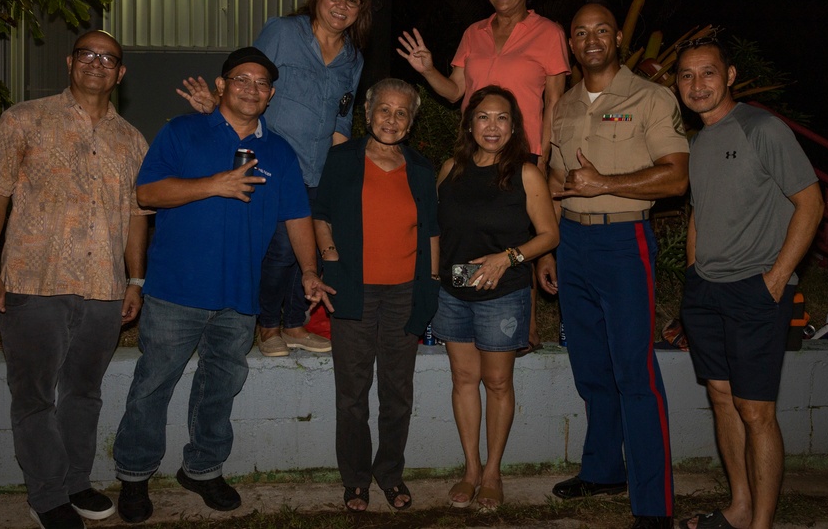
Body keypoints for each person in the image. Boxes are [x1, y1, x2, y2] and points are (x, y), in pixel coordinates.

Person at [112, 47, 335, 524]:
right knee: (153, 384)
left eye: (261, 83)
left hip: (239, 295)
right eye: (241, 79)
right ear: (221, 86)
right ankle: (133, 475)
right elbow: (147, 193)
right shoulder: (181, 131)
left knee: (221, 385)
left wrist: (310, 271)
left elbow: (298, 215)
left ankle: (203, 467)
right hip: (176, 290)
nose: (251, 89)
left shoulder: (279, 151)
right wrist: (212, 184)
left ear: (271, 95)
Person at [0, 30, 149, 529]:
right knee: (34, 394)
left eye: (108, 58)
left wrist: (135, 279)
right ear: (70, 61)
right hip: (33, 282)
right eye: (88, 54)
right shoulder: (24, 119)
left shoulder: (132, 139)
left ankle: (75, 482)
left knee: (84, 393)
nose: (97, 63)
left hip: (103, 289)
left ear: (120, 73)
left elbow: (138, 215)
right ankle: (47, 494)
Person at [537, 4, 689, 529]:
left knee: (636, 373)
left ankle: (654, 506)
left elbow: (674, 179)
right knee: (591, 369)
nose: (591, 39)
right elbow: (559, 180)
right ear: (571, 46)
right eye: (580, 32)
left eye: (602, 30)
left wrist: (607, 184)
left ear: (618, 40)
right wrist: (551, 247)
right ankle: (603, 469)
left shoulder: (651, 97)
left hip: (626, 244)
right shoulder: (565, 105)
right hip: (573, 243)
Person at [179, 0, 372, 357]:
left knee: (313, 249)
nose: (341, 5)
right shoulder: (283, 32)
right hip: (273, 160)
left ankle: (296, 324)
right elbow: (249, 80)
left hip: (319, 166)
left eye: (352, 0)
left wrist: (338, 175)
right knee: (282, 248)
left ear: (359, 10)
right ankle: (269, 327)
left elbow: (342, 116)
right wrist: (217, 108)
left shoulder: (353, 58)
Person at [674, 38, 823, 529]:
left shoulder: (763, 129)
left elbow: (811, 203)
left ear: (730, 75)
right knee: (721, 397)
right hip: (706, 292)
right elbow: (700, 212)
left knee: (755, 410)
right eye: (687, 76)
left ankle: (761, 525)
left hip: (756, 289)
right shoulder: (698, 142)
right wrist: (693, 274)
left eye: (708, 73)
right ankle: (739, 508)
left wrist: (777, 278)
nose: (697, 85)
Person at [397, 0, 569, 356]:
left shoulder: (549, 33)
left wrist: (545, 157)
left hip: (522, 153)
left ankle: (522, 328)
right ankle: (464, 312)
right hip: (472, 153)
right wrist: (426, 70)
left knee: (520, 236)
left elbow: (556, 102)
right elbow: (456, 91)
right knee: (470, 231)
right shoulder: (473, 33)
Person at [312, 78, 440, 512]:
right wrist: (330, 261)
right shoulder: (343, 158)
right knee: (352, 391)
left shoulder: (421, 168)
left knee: (397, 392)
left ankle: (390, 474)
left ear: (411, 119)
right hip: (353, 290)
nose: (392, 118)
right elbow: (322, 215)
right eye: (383, 109)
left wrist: (433, 281)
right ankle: (355, 479)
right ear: (368, 115)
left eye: (401, 112)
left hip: (407, 292)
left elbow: (433, 233)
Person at [433, 86, 559, 511]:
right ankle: (470, 469)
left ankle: (493, 472)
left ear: (513, 127)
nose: (492, 126)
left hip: (501, 294)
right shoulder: (450, 169)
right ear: (470, 124)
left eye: (502, 118)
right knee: (463, 381)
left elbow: (548, 235)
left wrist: (509, 257)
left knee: (498, 382)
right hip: (452, 292)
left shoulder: (525, 173)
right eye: (483, 117)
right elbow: (438, 232)